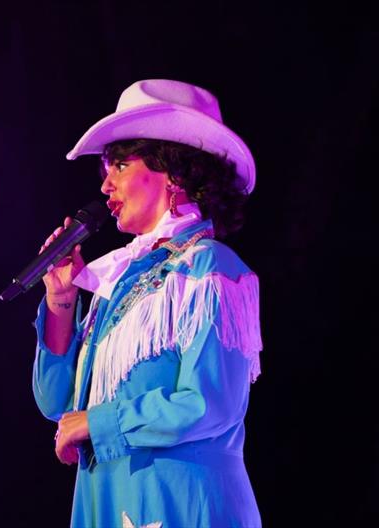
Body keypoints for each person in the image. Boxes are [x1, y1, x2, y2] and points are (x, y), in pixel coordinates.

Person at [32, 79, 263, 527]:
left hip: (178, 501)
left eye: (118, 165)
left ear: (173, 171)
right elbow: (57, 404)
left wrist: (98, 425)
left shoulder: (211, 270)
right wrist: (61, 300)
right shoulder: (116, 283)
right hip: (107, 498)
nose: (106, 186)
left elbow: (210, 403)